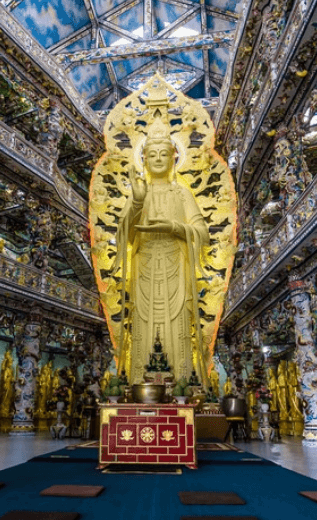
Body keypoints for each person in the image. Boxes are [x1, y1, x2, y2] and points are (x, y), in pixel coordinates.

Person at [116, 117, 209, 384]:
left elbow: (203, 233)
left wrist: (176, 228)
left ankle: (180, 386)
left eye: (163, 154)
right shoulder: (137, 193)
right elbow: (125, 236)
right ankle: (138, 386)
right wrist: (136, 201)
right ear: (143, 159)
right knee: (143, 328)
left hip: (176, 272)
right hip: (144, 270)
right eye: (152, 154)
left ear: (173, 157)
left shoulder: (182, 194)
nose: (158, 159)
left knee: (177, 328)